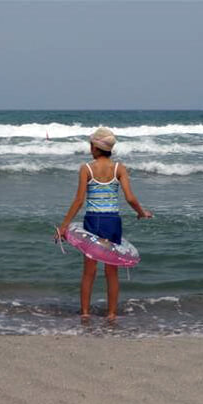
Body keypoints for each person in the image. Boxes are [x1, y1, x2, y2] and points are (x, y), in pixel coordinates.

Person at [58, 127, 152, 320]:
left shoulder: (87, 168)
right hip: (112, 221)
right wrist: (141, 213)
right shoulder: (119, 168)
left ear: (95, 147)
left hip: (92, 220)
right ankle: (111, 314)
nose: (89, 148)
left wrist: (64, 226)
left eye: (91, 144)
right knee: (112, 271)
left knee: (89, 272)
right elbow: (130, 198)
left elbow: (78, 201)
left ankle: (85, 313)